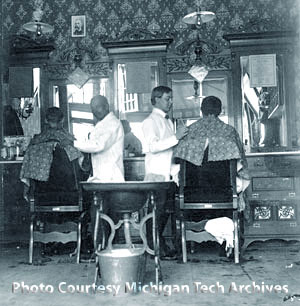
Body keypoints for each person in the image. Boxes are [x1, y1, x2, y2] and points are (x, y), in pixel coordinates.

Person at [142, 85, 188, 260]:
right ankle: (153, 247)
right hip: (156, 173)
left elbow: (171, 146)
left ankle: (158, 246)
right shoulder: (150, 122)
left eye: (171, 98)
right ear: (156, 100)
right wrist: (176, 137)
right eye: (167, 98)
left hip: (169, 174)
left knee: (164, 212)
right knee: (156, 212)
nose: (171, 102)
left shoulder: (168, 121)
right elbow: (152, 147)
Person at [74, 95, 124, 251]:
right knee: (101, 214)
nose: (96, 111)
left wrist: (73, 143)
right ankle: (102, 249)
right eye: (93, 108)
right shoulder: (102, 124)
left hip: (110, 177)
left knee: (104, 215)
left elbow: (99, 145)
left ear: (107, 105)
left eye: (99, 107)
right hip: (102, 178)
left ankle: (104, 250)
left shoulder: (112, 124)